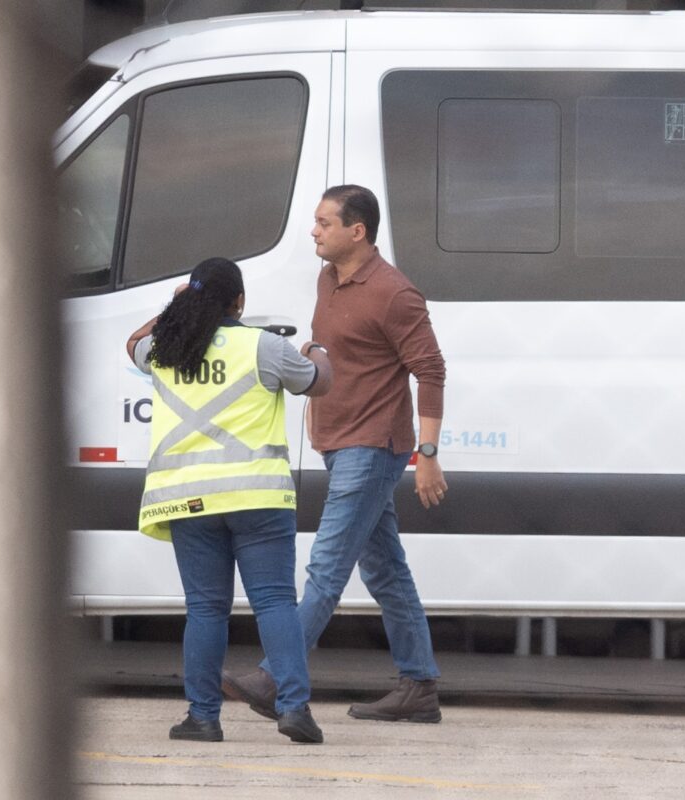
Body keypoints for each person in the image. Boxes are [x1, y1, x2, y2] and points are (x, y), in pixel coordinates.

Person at [223, 185, 447, 724]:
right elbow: (338, 346)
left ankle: (277, 676)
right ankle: (419, 686)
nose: (314, 230)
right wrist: (312, 353)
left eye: (324, 222)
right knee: (387, 570)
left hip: (372, 446)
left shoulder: (396, 294)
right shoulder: (330, 278)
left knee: (326, 566)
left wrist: (429, 454)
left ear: (357, 231)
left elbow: (431, 371)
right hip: (335, 440)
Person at [126, 256, 332, 743]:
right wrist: (317, 352)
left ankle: (202, 717)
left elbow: (130, 343)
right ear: (240, 302)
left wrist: (174, 307)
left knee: (204, 609)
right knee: (276, 603)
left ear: (192, 299)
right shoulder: (265, 347)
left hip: (189, 500)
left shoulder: (166, 346)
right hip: (256, 497)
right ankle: (294, 709)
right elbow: (319, 382)